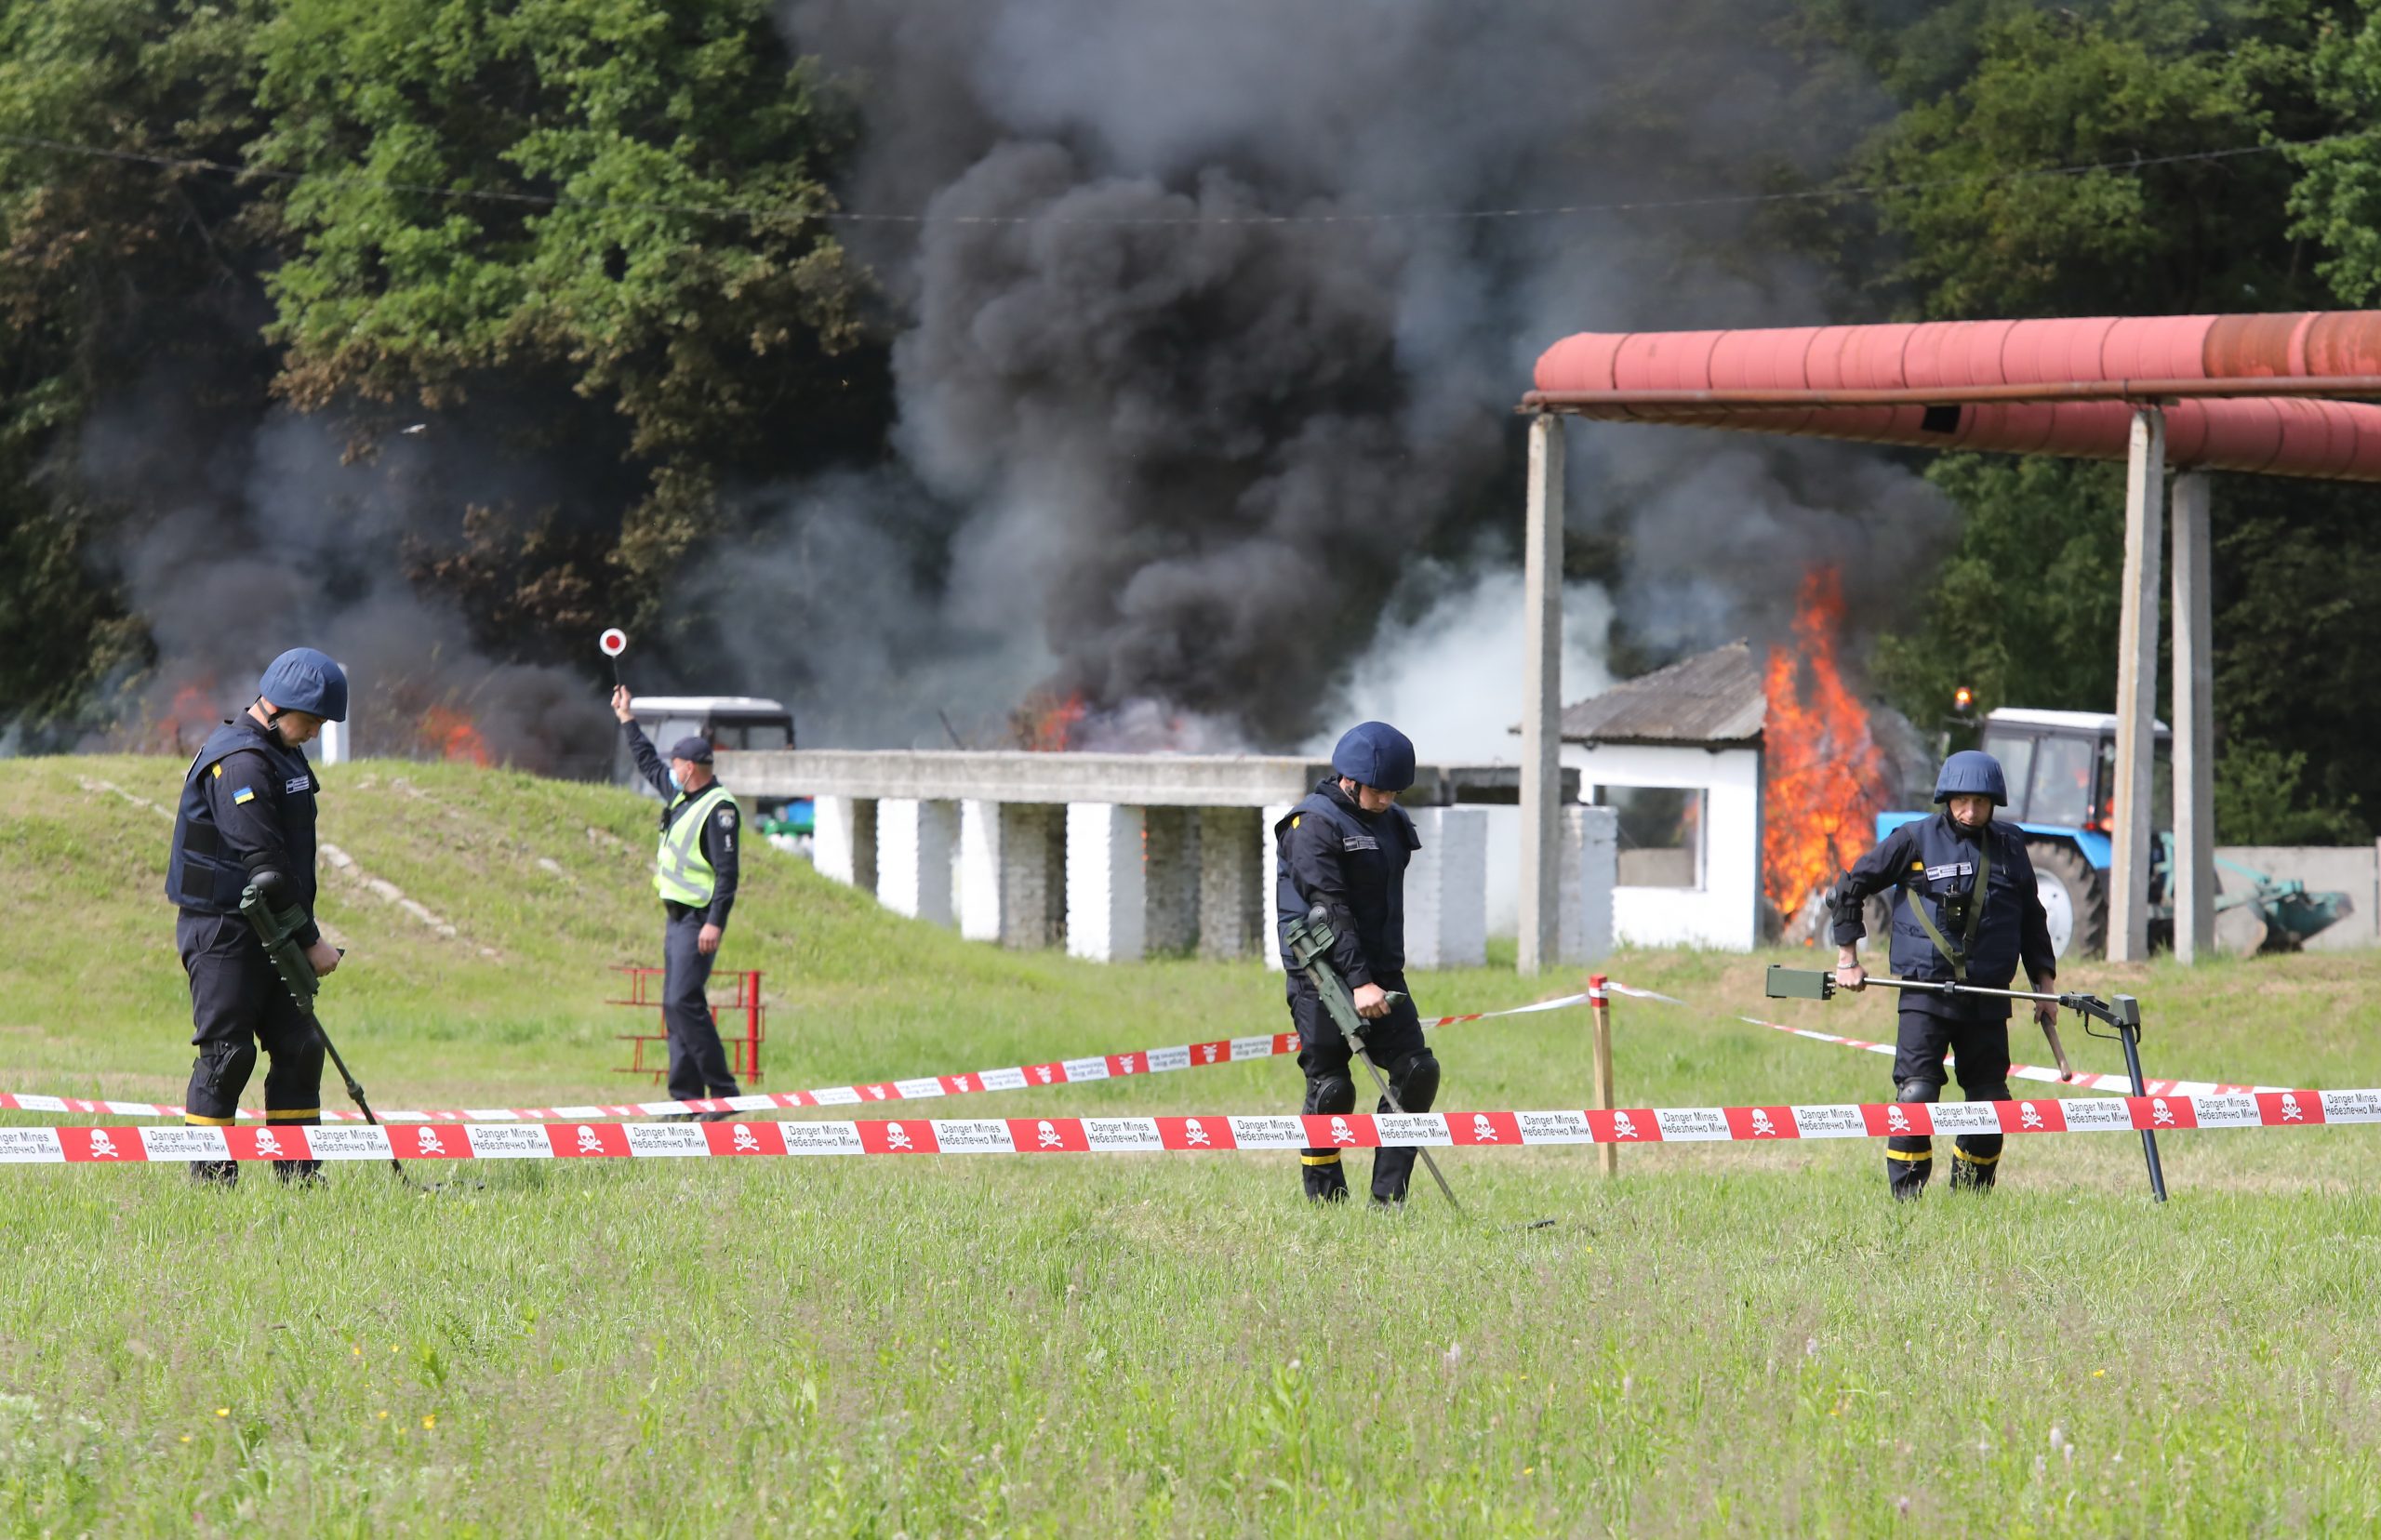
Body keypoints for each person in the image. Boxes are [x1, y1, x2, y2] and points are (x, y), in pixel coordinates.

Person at [1831, 750, 2060, 1200]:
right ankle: (1907, 1202)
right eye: (1961, 801)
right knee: (1916, 1096)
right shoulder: (1913, 839)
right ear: (1946, 798)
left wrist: (2044, 987)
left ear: (1994, 802)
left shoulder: (2011, 845)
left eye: (1980, 801)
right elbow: (1850, 886)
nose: (1970, 811)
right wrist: (1847, 959)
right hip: (1924, 996)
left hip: (1988, 998)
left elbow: (2032, 920)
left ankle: (1969, 1200)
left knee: (1991, 1102)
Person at [164, 647, 349, 1186]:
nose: (315, 732)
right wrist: (312, 942)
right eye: (311, 720)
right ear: (279, 705)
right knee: (227, 1055)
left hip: (273, 928)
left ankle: (300, 1181)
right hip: (223, 931)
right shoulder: (239, 760)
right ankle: (210, 1186)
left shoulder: (283, 751)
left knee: (300, 1046)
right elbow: (266, 869)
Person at [1274, 721, 1439, 1205]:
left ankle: (1389, 1201)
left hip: (1383, 973)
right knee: (1331, 1090)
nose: (1387, 799)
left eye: (1394, 791)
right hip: (1323, 976)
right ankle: (1326, 1202)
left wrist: (1377, 976)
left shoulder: (1389, 819)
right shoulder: (1313, 825)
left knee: (1417, 1072)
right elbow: (1332, 910)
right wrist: (1359, 982)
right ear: (1349, 778)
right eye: (1379, 790)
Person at [611, 686, 742, 1112]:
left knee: (681, 1002)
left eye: (676, 764)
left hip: (699, 918)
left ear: (690, 767)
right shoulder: (683, 795)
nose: (670, 769)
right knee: (677, 1008)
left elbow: (727, 872)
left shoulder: (719, 808)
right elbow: (648, 762)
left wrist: (715, 922)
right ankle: (686, 1100)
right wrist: (627, 718)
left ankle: (723, 1094)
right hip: (676, 918)